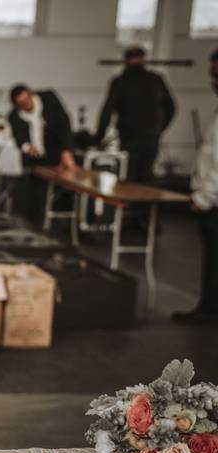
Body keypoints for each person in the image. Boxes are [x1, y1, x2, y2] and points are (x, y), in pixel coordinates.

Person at [174, 48, 218, 325]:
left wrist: (204, 196)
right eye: (213, 75)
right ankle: (210, 307)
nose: (214, 82)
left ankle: (210, 309)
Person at [95, 46, 175, 185]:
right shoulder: (156, 80)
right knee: (146, 176)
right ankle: (145, 205)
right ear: (144, 60)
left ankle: (128, 206)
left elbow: (106, 112)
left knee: (129, 176)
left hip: (129, 137)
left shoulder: (120, 82)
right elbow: (171, 108)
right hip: (151, 137)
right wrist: (159, 129)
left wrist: (98, 138)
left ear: (125, 61)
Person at [8, 84, 76, 225]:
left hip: (55, 154)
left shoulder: (49, 99)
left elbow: (64, 123)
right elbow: (19, 138)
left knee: (64, 191)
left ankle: (63, 225)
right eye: (22, 103)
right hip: (34, 160)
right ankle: (36, 225)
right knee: (35, 196)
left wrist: (66, 149)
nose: (27, 105)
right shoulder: (14, 116)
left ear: (31, 94)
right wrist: (27, 147)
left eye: (27, 100)